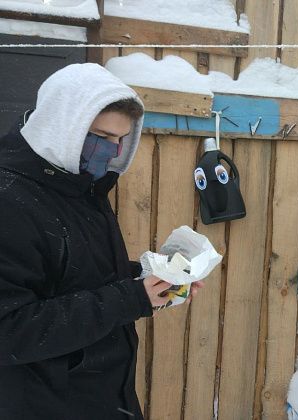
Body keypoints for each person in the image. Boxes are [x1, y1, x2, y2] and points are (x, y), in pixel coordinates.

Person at [0, 63, 200, 419]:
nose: (110, 150)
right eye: (100, 136)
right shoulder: (9, 199)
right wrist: (129, 299)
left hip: (103, 396)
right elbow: (10, 329)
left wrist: (151, 280)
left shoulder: (79, 187)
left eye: (120, 140)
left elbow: (74, 276)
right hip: (41, 404)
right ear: (61, 124)